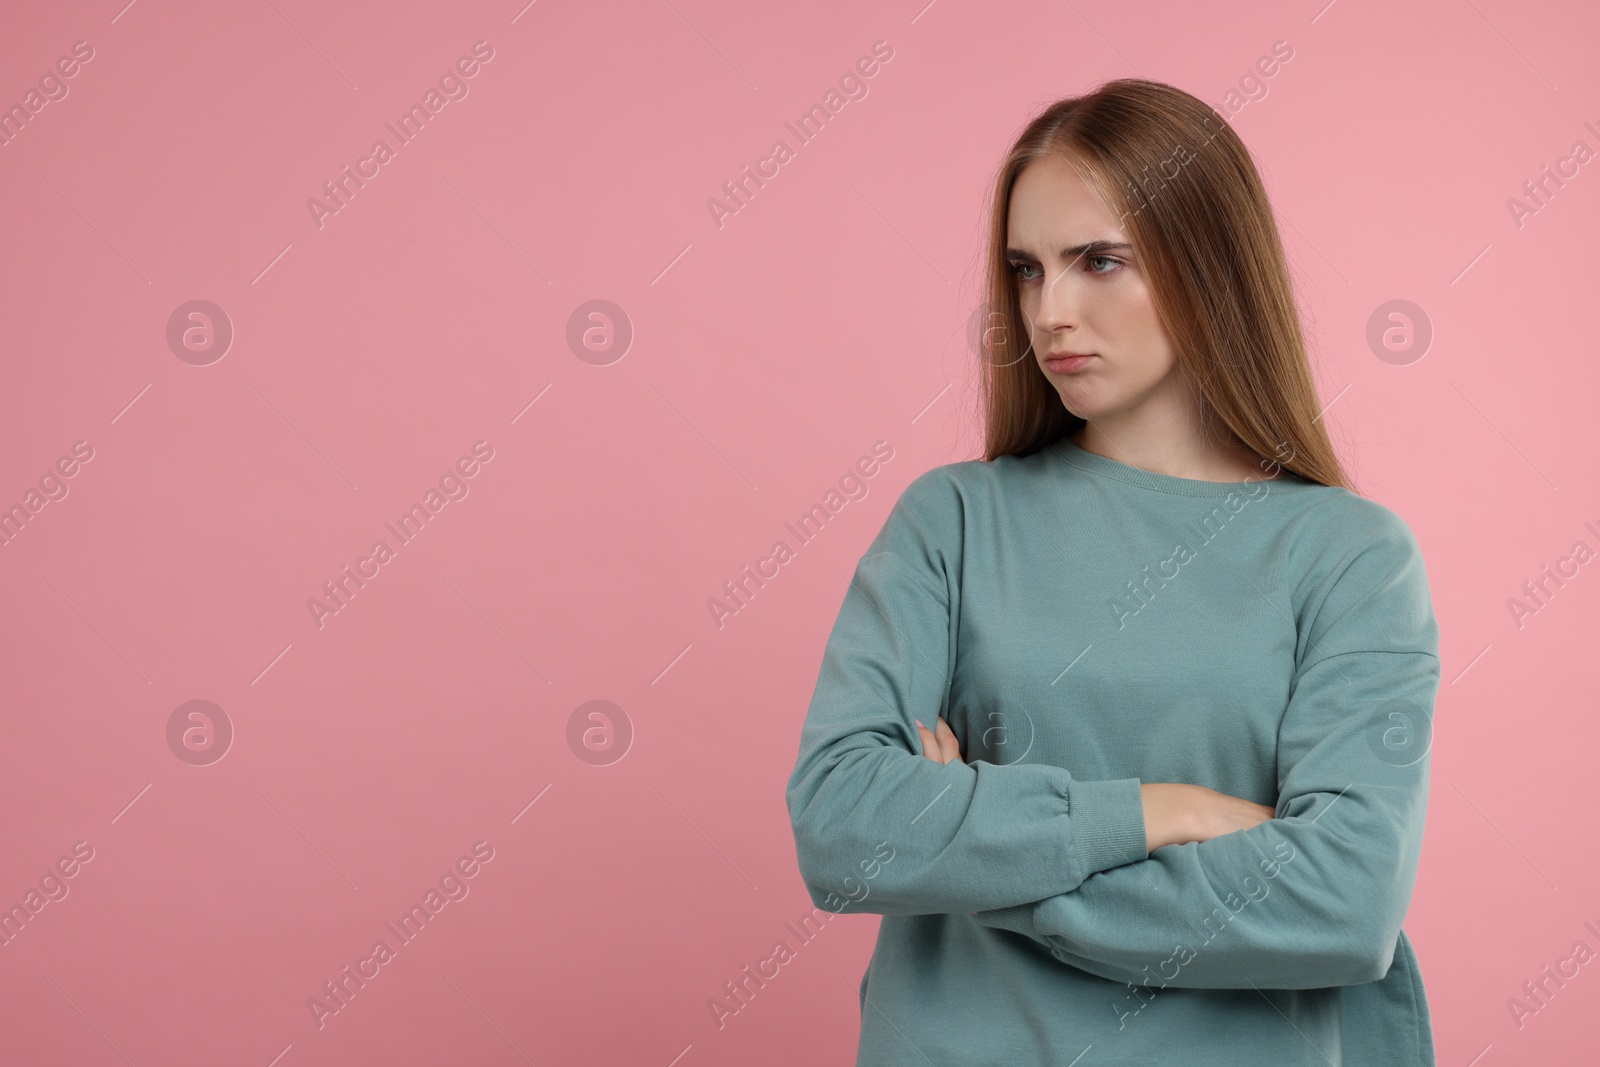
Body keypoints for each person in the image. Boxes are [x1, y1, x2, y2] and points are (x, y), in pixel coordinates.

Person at [785, 78, 1440, 1066]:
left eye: (1098, 261)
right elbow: (841, 827)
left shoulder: (1349, 555)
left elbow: (1342, 905)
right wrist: (1156, 808)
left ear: (1205, 261)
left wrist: (978, 852)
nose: (1050, 310)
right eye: (1025, 269)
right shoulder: (955, 519)